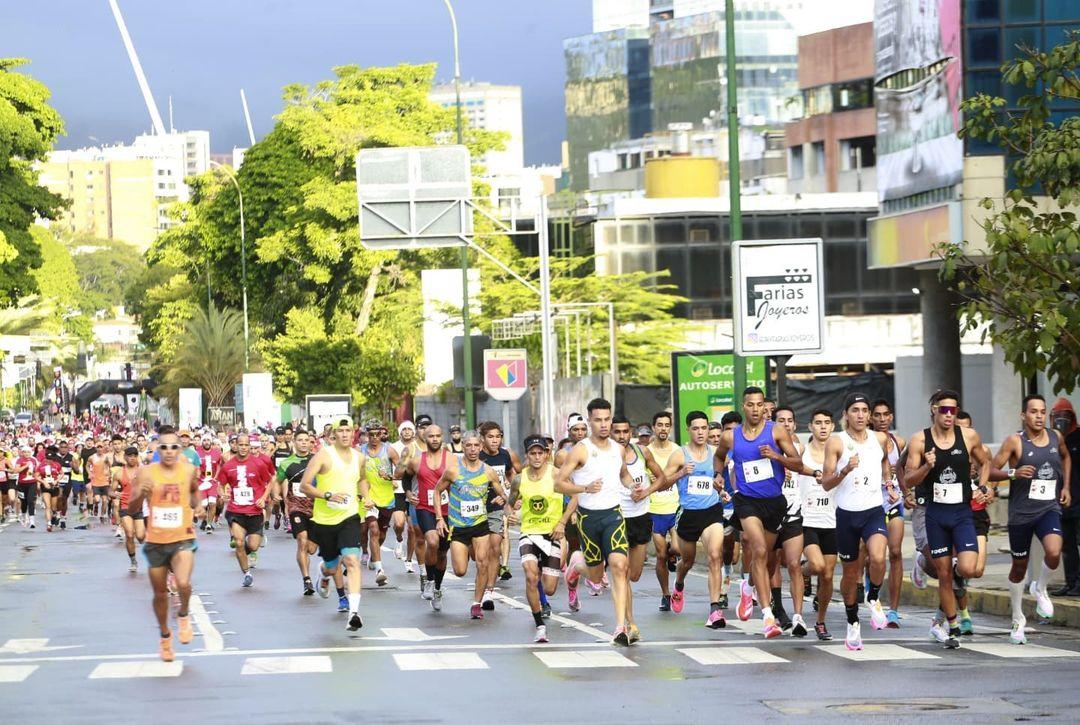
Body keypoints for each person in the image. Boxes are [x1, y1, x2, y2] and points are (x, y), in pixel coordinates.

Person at [713, 387, 807, 639]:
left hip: (774, 502)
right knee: (759, 550)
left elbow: (797, 462)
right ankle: (767, 615)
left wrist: (775, 456)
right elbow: (719, 457)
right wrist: (718, 475)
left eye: (759, 405)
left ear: (765, 407)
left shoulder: (776, 431)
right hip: (747, 501)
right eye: (750, 404)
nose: (755, 409)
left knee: (767, 561)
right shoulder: (731, 436)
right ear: (744, 406)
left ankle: (749, 586)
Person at [904, 389, 993, 649]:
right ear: (934, 410)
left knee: (967, 568)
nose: (949, 415)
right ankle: (951, 625)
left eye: (953, 410)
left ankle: (949, 589)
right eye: (944, 409)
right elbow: (909, 479)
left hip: (962, 512)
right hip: (936, 514)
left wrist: (983, 487)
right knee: (944, 574)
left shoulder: (968, 436)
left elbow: (985, 462)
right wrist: (926, 467)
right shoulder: (920, 440)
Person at [988, 394, 1072, 645]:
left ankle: (1040, 587)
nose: (1039, 416)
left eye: (1042, 411)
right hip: (1021, 514)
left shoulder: (1056, 437)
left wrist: (1065, 486)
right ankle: (1017, 618)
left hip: (1048, 508)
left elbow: (1066, 457)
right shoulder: (1015, 441)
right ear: (1023, 415)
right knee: (1019, 567)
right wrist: (1013, 473)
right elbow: (991, 470)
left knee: (1055, 551)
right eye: (1033, 411)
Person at [556, 398, 636, 645]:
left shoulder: (618, 449)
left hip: (613, 515)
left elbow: (623, 474)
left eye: (607, 419)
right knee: (595, 573)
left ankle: (621, 626)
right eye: (598, 420)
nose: (604, 424)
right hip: (589, 519)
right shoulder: (580, 449)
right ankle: (576, 568)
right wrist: (584, 487)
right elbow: (558, 483)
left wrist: (634, 486)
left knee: (620, 567)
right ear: (589, 421)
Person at [821, 393, 896, 650]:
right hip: (846, 515)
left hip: (873, 510)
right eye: (856, 410)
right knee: (851, 573)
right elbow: (825, 482)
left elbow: (885, 462)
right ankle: (852, 621)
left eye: (865, 410)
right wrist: (845, 471)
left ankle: (873, 597)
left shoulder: (880, 438)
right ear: (847, 415)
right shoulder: (836, 442)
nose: (861, 415)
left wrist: (889, 483)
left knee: (877, 557)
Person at [126, 426, 202, 662]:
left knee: (183, 583)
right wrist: (140, 494)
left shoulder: (189, 470)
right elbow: (131, 508)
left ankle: (183, 613)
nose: (169, 452)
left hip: (183, 537)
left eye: (173, 447)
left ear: (180, 449)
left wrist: (197, 505)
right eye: (164, 447)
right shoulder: (146, 472)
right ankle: (165, 636)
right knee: (160, 594)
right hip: (156, 540)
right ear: (157, 449)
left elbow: (194, 492)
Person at [658, 411, 728, 629]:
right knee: (687, 561)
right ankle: (678, 584)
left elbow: (718, 479)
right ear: (688, 430)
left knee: (715, 556)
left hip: (712, 511)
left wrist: (720, 488)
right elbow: (661, 483)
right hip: (688, 514)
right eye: (696, 428)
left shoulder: (716, 453)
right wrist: (680, 474)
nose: (700, 432)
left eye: (704, 428)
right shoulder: (680, 455)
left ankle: (715, 609)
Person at [299, 417, 371, 630]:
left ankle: (354, 613)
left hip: (349, 516)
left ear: (354, 433)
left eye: (349, 430)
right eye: (341, 431)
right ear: (335, 434)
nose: (345, 434)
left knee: (352, 560)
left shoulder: (359, 458)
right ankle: (323, 571)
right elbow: (304, 486)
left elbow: (362, 479)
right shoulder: (324, 455)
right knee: (332, 567)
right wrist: (327, 495)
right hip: (324, 521)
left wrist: (366, 497)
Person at [508, 434, 574, 643]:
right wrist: (511, 511)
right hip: (529, 532)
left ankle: (567, 575)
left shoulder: (557, 475)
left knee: (549, 589)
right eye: (532, 453)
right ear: (527, 455)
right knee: (530, 575)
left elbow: (576, 498)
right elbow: (509, 502)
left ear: (547, 454)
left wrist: (562, 522)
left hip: (552, 534)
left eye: (541, 453)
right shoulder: (520, 478)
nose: (537, 457)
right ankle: (540, 626)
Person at [434, 431, 503, 619]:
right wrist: (440, 518)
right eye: (468, 446)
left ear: (481, 447)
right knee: (460, 570)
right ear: (463, 447)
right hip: (458, 526)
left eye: (476, 446)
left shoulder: (488, 471)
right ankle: (468, 551)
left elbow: (503, 494)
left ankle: (476, 604)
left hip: (480, 524)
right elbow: (437, 491)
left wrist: (506, 501)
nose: (472, 450)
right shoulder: (453, 470)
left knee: (482, 563)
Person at [613, 416, 666, 640]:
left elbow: (661, 478)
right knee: (621, 572)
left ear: (631, 432)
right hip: (617, 517)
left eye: (625, 431)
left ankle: (578, 565)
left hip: (641, 516)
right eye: (617, 432)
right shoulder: (606, 456)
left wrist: (646, 492)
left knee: (634, 575)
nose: (622, 436)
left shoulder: (643, 452)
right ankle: (630, 623)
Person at [396, 425, 451, 610]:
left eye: (438, 436)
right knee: (432, 541)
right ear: (424, 439)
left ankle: (437, 587)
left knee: (443, 552)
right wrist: (409, 492)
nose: (435, 439)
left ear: (442, 437)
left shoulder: (450, 459)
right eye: (431, 436)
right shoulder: (416, 461)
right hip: (425, 507)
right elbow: (405, 478)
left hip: (448, 510)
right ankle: (428, 579)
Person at [798, 409, 837, 640]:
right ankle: (803, 570)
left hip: (832, 520)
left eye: (827, 423)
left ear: (832, 426)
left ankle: (820, 622)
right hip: (808, 519)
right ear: (810, 426)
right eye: (818, 423)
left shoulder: (838, 451)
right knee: (817, 565)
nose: (823, 427)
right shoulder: (802, 452)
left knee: (829, 576)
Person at [219, 434, 275, 587]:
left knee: (253, 546)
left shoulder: (258, 463)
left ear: (250, 446)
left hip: (254, 511)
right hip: (235, 510)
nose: (243, 447)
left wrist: (264, 497)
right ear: (235, 445)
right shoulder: (228, 465)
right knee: (238, 542)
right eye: (240, 444)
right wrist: (222, 493)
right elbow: (220, 484)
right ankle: (247, 573)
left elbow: (271, 480)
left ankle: (243, 553)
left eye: (246, 445)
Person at [770, 405, 807, 635]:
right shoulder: (764, 448)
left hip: (794, 512)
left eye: (790, 420)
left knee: (794, 564)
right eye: (781, 420)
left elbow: (806, 470)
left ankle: (798, 616)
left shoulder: (801, 448)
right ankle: (778, 607)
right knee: (771, 563)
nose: (786, 424)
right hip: (771, 511)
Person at [478, 421, 522, 605]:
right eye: (491, 437)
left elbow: (513, 475)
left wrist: (513, 496)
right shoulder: (477, 455)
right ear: (483, 439)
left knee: (495, 547)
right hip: (477, 507)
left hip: (497, 506)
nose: (495, 440)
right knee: (480, 554)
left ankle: (489, 591)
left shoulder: (505, 454)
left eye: (498, 436)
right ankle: (483, 581)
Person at [871, 399, 906, 628]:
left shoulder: (899, 442)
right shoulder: (865, 442)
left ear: (891, 417)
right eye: (878, 415)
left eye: (886, 415)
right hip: (871, 503)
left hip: (894, 502)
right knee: (871, 557)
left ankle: (893, 610)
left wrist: (906, 489)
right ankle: (872, 597)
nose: (882, 419)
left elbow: (905, 470)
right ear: (871, 418)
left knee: (894, 552)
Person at [647, 411, 681, 611]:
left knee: (677, 548)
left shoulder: (677, 451)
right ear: (654, 427)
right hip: (654, 508)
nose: (663, 428)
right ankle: (665, 595)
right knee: (660, 555)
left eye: (667, 425)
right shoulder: (647, 452)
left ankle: (672, 554)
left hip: (675, 506)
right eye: (659, 425)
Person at [278, 430, 317, 595]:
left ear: (310, 442)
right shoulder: (287, 463)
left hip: (316, 507)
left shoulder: (317, 460)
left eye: (306, 440)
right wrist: (275, 495)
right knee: (302, 541)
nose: (303, 443)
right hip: (296, 507)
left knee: (312, 548)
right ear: (294, 442)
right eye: (300, 440)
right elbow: (277, 480)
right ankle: (306, 580)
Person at [363, 423, 400, 587]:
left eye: (377, 434)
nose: (374, 438)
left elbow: (401, 470)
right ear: (367, 435)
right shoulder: (360, 451)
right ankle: (380, 570)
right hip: (368, 497)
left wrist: (391, 477)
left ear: (382, 435)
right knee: (373, 529)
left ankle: (373, 556)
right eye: (371, 434)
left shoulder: (389, 450)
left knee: (382, 534)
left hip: (386, 498)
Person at [1051, 398, 1080, 596]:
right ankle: (1071, 582)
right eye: (1057, 416)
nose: (1062, 419)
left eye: (1066, 415)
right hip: (1060, 501)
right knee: (1067, 545)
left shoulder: (1078, 436)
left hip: (1079, 499)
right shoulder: (1051, 439)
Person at [112, 446, 146, 572]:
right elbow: (111, 490)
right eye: (130, 456)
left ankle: (149, 548)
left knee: (141, 536)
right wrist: (114, 494)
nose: (132, 458)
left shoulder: (142, 471)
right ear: (125, 457)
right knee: (130, 534)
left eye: (134, 456)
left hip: (139, 508)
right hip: (125, 507)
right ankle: (133, 560)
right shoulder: (119, 473)